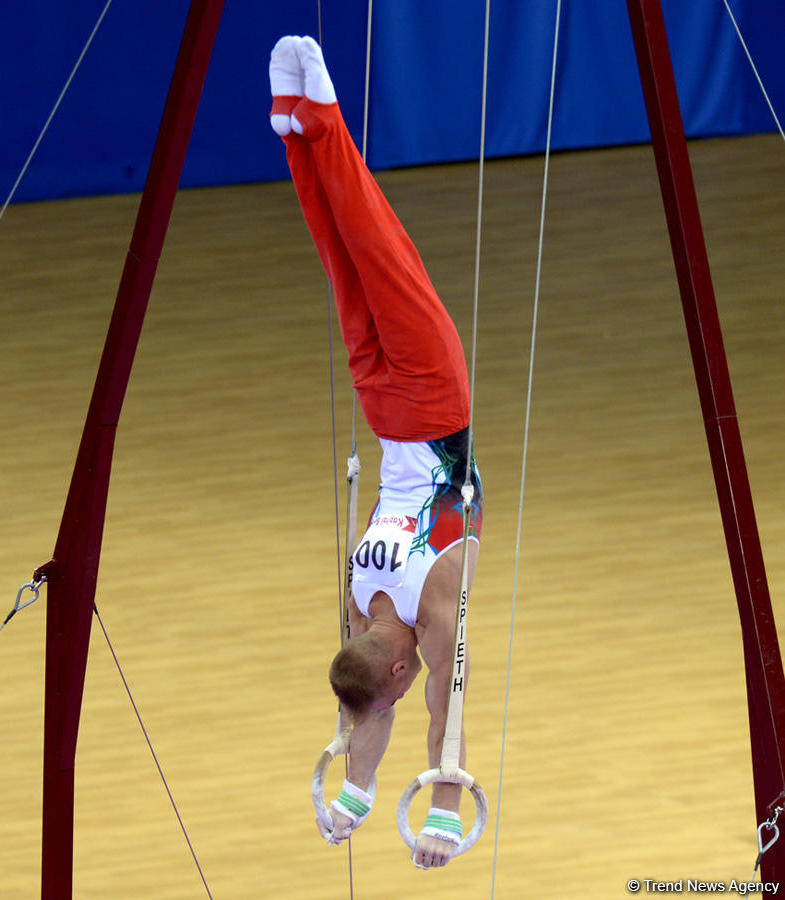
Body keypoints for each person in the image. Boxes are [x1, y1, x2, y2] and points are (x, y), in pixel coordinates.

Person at [269, 35, 482, 869]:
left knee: (376, 244)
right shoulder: (362, 602)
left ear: (395, 660)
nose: (402, 680)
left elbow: (443, 707)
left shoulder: (433, 605)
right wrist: (353, 795)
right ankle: (295, 131)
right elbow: (378, 705)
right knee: (342, 259)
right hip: (385, 412)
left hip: (433, 403)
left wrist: (440, 814)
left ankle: (318, 114)